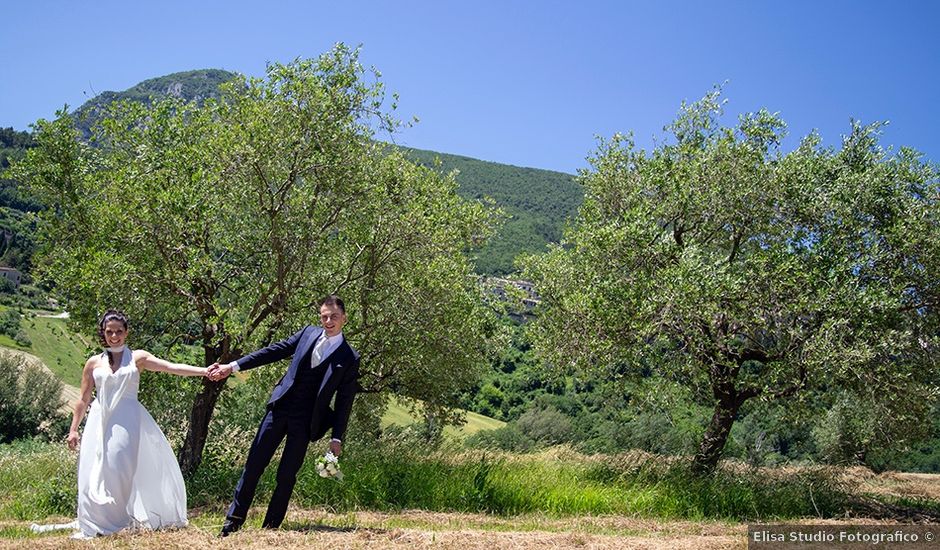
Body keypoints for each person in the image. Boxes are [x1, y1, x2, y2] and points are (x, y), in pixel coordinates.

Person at [208, 295, 360, 536]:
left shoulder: (350, 357)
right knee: (253, 466)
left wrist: (337, 437)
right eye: (324, 316)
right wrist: (233, 366)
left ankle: (270, 530)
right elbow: (273, 351)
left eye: (334, 316)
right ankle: (232, 525)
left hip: (306, 421)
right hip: (279, 409)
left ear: (345, 318)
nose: (328, 321)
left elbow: (344, 401)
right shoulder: (307, 333)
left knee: (286, 475)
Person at [65, 310, 209, 539]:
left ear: (126, 332)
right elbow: (83, 399)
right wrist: (73, 429)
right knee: (95, 468)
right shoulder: (93, 363)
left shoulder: (137, 357)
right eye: (109, 331)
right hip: (99, 420)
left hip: (127, 418)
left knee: (121, 467)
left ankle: (119, 519)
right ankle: (96, 522)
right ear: (103, 332)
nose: (114, 336)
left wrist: (204, 371)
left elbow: (171, 367)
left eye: (119, 331)